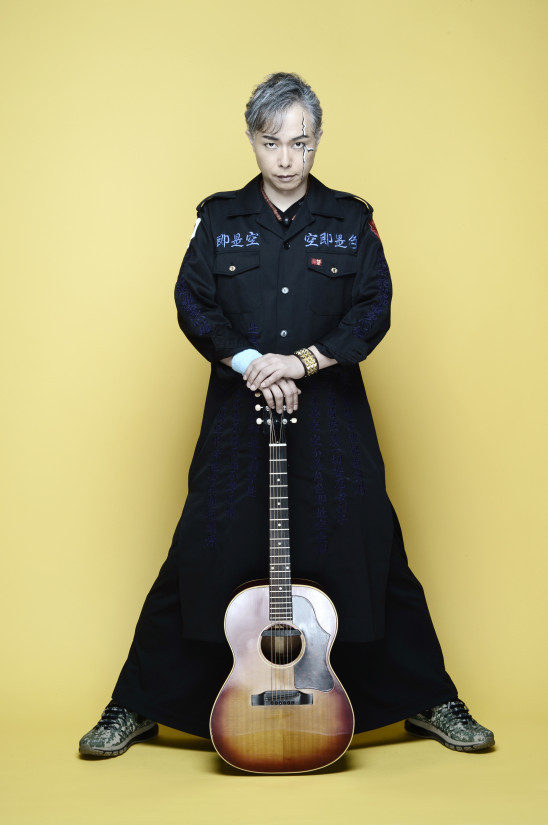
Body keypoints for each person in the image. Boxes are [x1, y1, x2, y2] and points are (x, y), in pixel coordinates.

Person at [79, 72, 495, 759]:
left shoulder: (351, 220)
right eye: (271, 142)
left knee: (369, 545)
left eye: (300, 143)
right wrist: (251, 363)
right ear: (252, 139)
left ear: (317, 139)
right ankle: (139, 705)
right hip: (237, 418)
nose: (285, 158)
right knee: (204, 548)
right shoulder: (218, 220)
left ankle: (426, 699)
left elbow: (374, 307)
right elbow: (192, 303)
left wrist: (302, 362)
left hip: (330, 417)